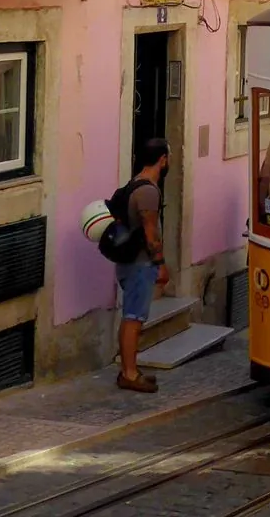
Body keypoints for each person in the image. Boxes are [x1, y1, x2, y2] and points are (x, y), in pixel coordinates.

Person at [117, 138, 173, 393]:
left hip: (129, 262)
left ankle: (130, 370)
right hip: (140, 264)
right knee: (134, 318)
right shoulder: (149, 191)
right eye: (168, 157)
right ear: (162, 159)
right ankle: (129, 374)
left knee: (131, 316)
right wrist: (161, 264)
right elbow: (152, 235)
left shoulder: (133, 184)